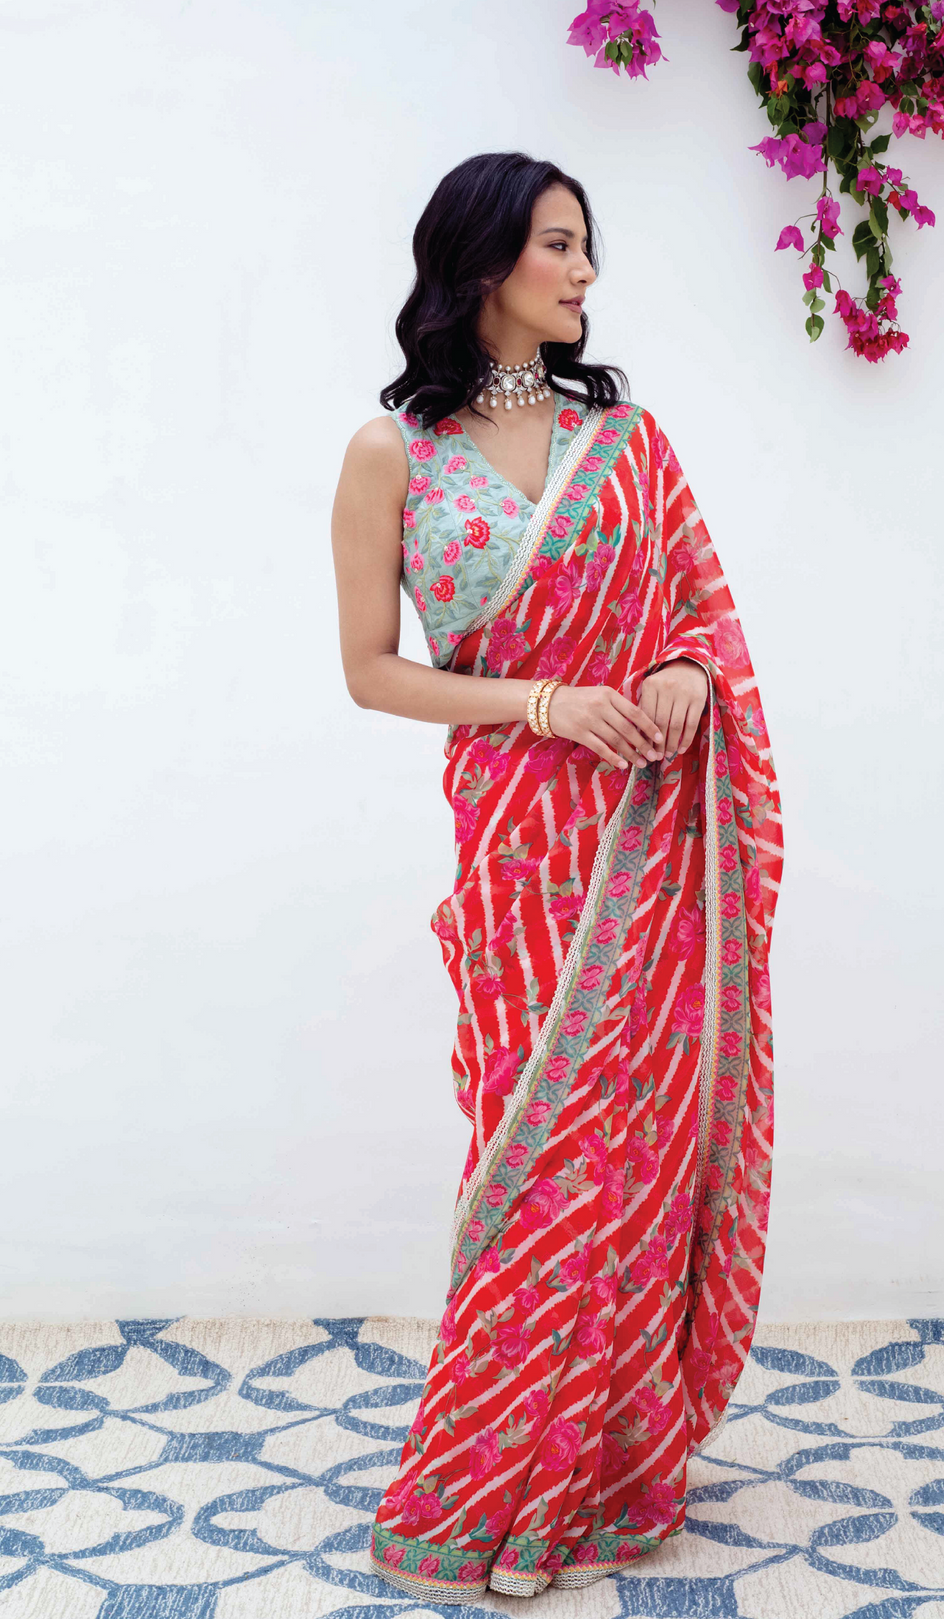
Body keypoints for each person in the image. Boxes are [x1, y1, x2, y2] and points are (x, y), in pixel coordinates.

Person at [330, 150, 782, 1605]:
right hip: (521, 846)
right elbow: (371, 671)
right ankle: (490, 1477)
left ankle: (610, 1470)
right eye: (558, 245)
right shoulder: (392, 453)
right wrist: (541, 703)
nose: (585, 272)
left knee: (632, 1156)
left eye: (587, 246)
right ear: (481, 263)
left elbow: (702, 610)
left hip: (650, 837)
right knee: (533, 1152)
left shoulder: (627, 443)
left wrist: (681, 667)